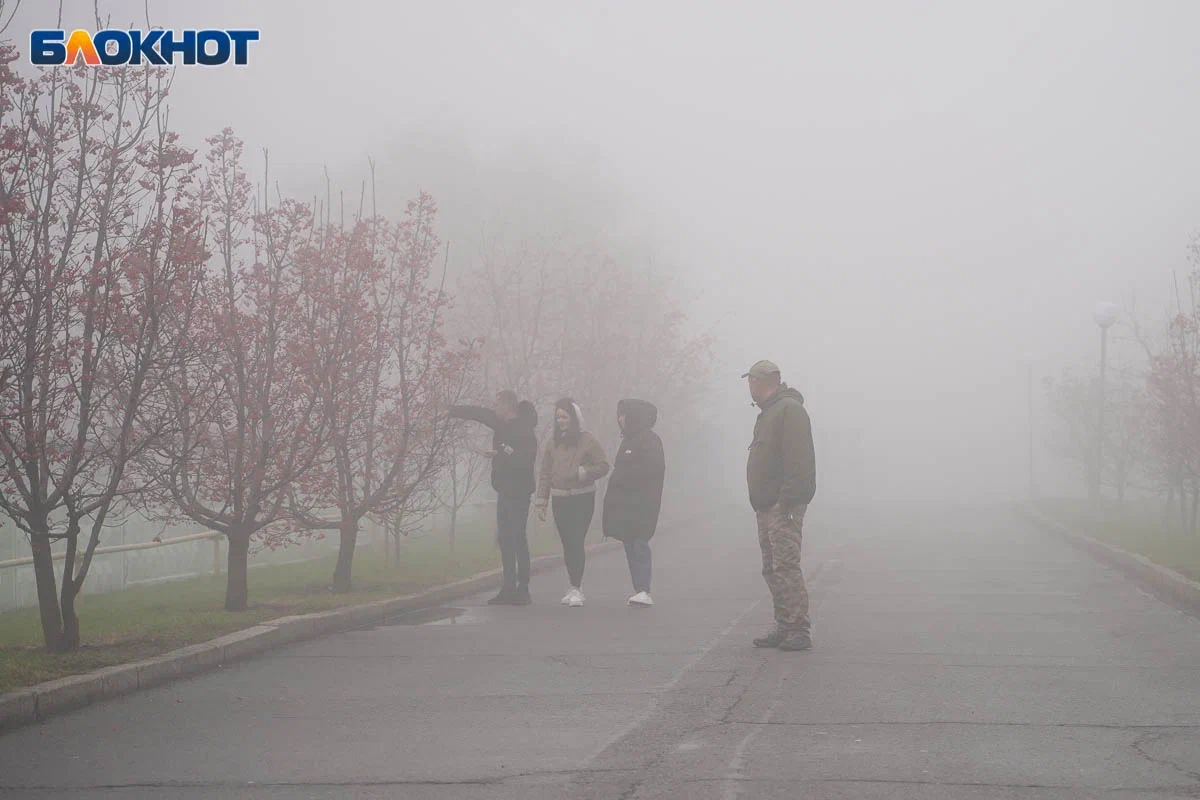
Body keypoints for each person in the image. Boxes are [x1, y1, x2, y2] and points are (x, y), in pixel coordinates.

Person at [743, 360, 817, 651]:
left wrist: (788, 500)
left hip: (782, 504)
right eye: (749, 380)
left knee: (786, 565)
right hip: (766, 504)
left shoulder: (790, 411)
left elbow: (799, 460)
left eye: (753, 380)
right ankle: (784, 624)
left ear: (770, 381)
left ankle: (798, 628)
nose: (750, 386)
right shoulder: (768, 413)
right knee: (771, 568)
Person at [449, 391, 538, 605]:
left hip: (519, 492)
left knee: (517, 537)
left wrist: (502, 453)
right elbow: (479, 414)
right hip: (504, 490)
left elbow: (524, 461)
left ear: (508, 405)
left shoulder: (525, 431)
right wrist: (451, 411)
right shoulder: (500, 425)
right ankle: (508, 588)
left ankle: (523, 589)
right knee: (504, 539)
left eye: (497, 403)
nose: (494, 407)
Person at [536, 398, 609, 607]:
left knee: (576, 541)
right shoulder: (552, 442)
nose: (560, 421)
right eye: (558, 417)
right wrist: (541, 501)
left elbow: (604, 466)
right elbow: (545, 473)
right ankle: (574, 586)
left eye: (564, 417)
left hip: (582, 497)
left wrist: (584, 472)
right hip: (559, 498)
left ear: (574, 418)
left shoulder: (588, 440)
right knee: (568, 544)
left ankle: (576, 588)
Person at [602, 399, 665, 607]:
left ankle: (644, 589)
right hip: (626, 505)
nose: (619, 419)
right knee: (630, 544)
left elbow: (653, 471)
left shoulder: (649, 440)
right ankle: (639, 589)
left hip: (642, 504)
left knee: (639, 544)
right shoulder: (628, 440)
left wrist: (628, 481)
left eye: (623, 414)